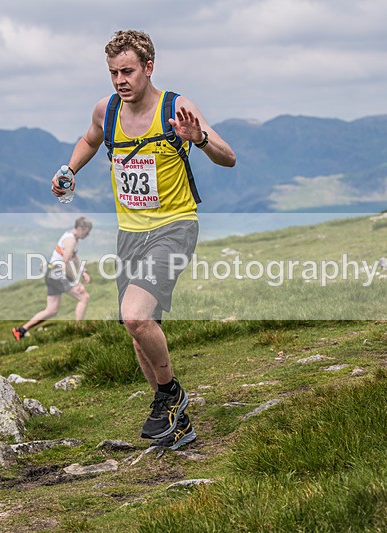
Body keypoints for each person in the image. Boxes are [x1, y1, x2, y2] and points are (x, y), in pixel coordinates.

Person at [50, 30, 236, 450]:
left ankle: (170, 395)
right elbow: (90, 139)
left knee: (135, 315)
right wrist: (71, 169)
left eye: (128, 71)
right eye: (114, 72)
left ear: (148, 68)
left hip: (174, 227)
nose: (120, 80)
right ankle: (178, 423)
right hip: (130, 234)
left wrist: (199, 140)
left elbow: (229, 155)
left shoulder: (177, 107)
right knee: (138, 331)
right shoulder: (107, 110)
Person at [12, 216, 92, 340]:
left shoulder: (71, 236)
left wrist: (83, 271)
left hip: (52, 272)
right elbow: (65, 262)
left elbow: (74, 257)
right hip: (58, 273)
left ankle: (21, 330)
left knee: (51, 310)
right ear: (81, 228)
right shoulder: (71, 240)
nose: (88, 234)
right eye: (87, 231)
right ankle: (78, 331)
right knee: (84, 297)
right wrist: (75, 282)